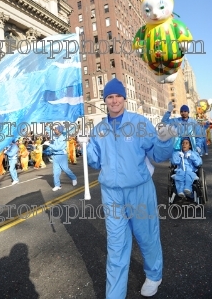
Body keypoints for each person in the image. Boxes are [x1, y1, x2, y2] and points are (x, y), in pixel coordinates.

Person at [78, 78, 176, 298]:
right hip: (111, 194)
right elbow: (95, 162)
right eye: (110, 97)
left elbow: (157, 155)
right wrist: (83, 145)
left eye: (117, 96)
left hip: (139, 190)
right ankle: (115, 294)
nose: (114, 101)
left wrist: (165, 141)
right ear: (105, 101)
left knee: (147, 237)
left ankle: (154, 275)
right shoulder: (99, 130)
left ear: (124, 98)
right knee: (116, 245)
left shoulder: (139, 123)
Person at [43, 125, 77, 191]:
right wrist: (46, 126)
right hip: (55, 156)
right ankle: (57, 185)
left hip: (62, 156)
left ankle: (73, 178)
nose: (54, 130)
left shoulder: (63, 138)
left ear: (59, 130)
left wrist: (48, 144)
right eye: (55, 129)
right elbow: (49, 131)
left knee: (65, 169)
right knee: (56, 172)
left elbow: (58, 148)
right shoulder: (54, 135)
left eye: (56, 129)